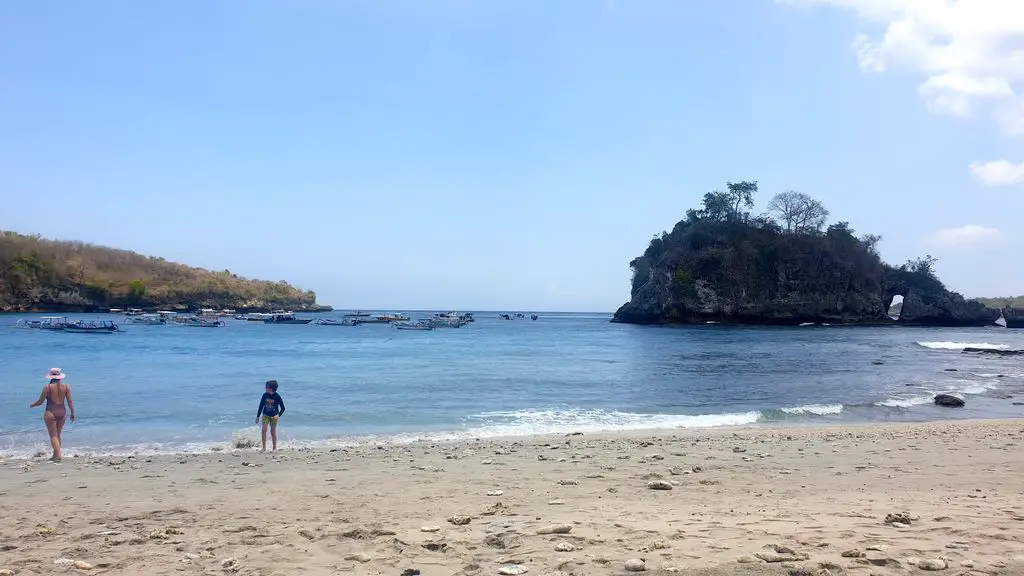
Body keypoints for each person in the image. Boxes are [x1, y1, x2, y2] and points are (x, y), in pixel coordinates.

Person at [29, 367, 76, 462]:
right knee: (58, 434)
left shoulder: (47, 387)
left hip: (50, 412)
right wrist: (72, 413)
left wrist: (33, 404)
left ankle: (58, 455)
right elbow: (70, 401)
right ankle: (55, 454)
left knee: (53, 436)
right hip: (62, 412)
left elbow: (40, 401)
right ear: (60, 377)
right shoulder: (66, 387)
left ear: (51, 377)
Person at [255, 380, 286, 453]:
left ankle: (274, 448)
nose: (265, 388)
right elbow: (261, 406)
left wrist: (278, 415)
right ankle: (264, 448)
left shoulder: (277, 397)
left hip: (274, 417)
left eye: (266, 387)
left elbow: (283, 408)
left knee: (273, 432)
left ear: (270, 388)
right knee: (263, 430)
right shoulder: (265, 395)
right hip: (266, 415)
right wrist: (258, 416)